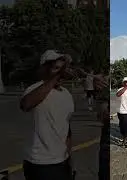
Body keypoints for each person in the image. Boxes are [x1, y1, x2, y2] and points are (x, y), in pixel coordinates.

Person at [19, 50, 107, 180]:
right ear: (44, 69)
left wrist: (69, 160)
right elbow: (25, 104)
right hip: (39, 163)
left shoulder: (66, 94)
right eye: (56, 68)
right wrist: (57, 76)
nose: (61, 73)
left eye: (62, 69)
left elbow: (66, 129)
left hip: (62, 161)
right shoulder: (34, 89)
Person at [116, 77, 127, 150]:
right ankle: (124, 142)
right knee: (125, 128)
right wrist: (125, 87)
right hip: (122, 112)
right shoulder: (120, 89)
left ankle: (123, 138)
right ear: (123, 83)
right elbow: (118, 94)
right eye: (126, 82)